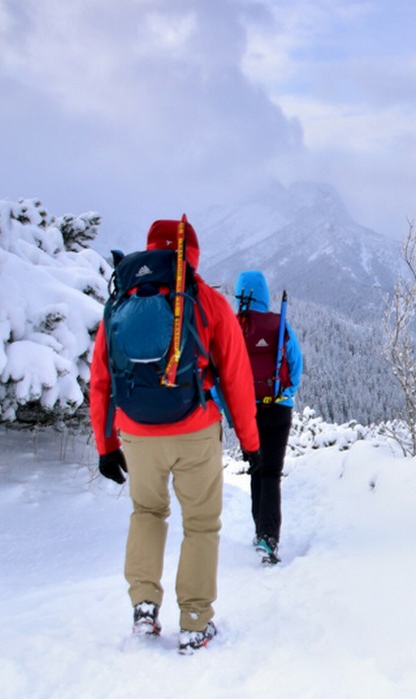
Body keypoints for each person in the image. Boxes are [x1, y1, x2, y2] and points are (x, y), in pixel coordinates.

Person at [89, 218, 261, 654]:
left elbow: (101, 380)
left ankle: (144, 607)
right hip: (194, 430)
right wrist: (251, 443)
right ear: (193, 253)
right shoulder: (206, 300)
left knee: (147, 512)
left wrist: (106, 446)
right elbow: (237, 377)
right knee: (201, 524)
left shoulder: (122, 300)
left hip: (136, 433)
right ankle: (195, 622)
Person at [231, 270, 303, 566]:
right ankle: (268, 536)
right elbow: (295, 365)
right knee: (272, 472)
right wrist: (286, 393)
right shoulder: (279, 324)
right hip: (278, 408)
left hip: (247, 409)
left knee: (256, 470)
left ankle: (258, 529)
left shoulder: (233, 327)